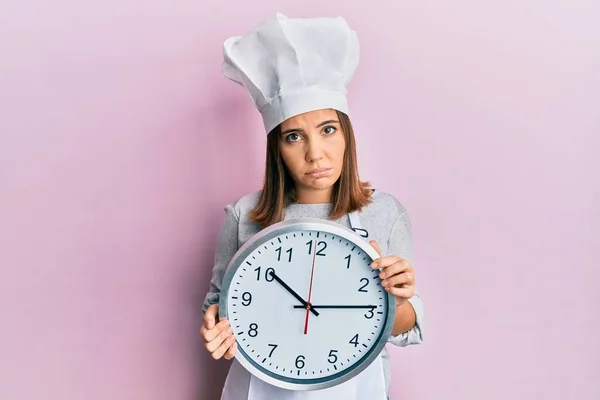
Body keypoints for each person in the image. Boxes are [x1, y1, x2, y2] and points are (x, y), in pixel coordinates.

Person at [200, 13, 425, 400]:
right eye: (293, 137)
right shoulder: (243, 215)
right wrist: (215, 326)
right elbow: (220, 306)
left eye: (327, 130)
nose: (314, 153)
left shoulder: (384, 212)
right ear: (277, 148)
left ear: (346, 134)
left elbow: (404, 325)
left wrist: (399, 299)